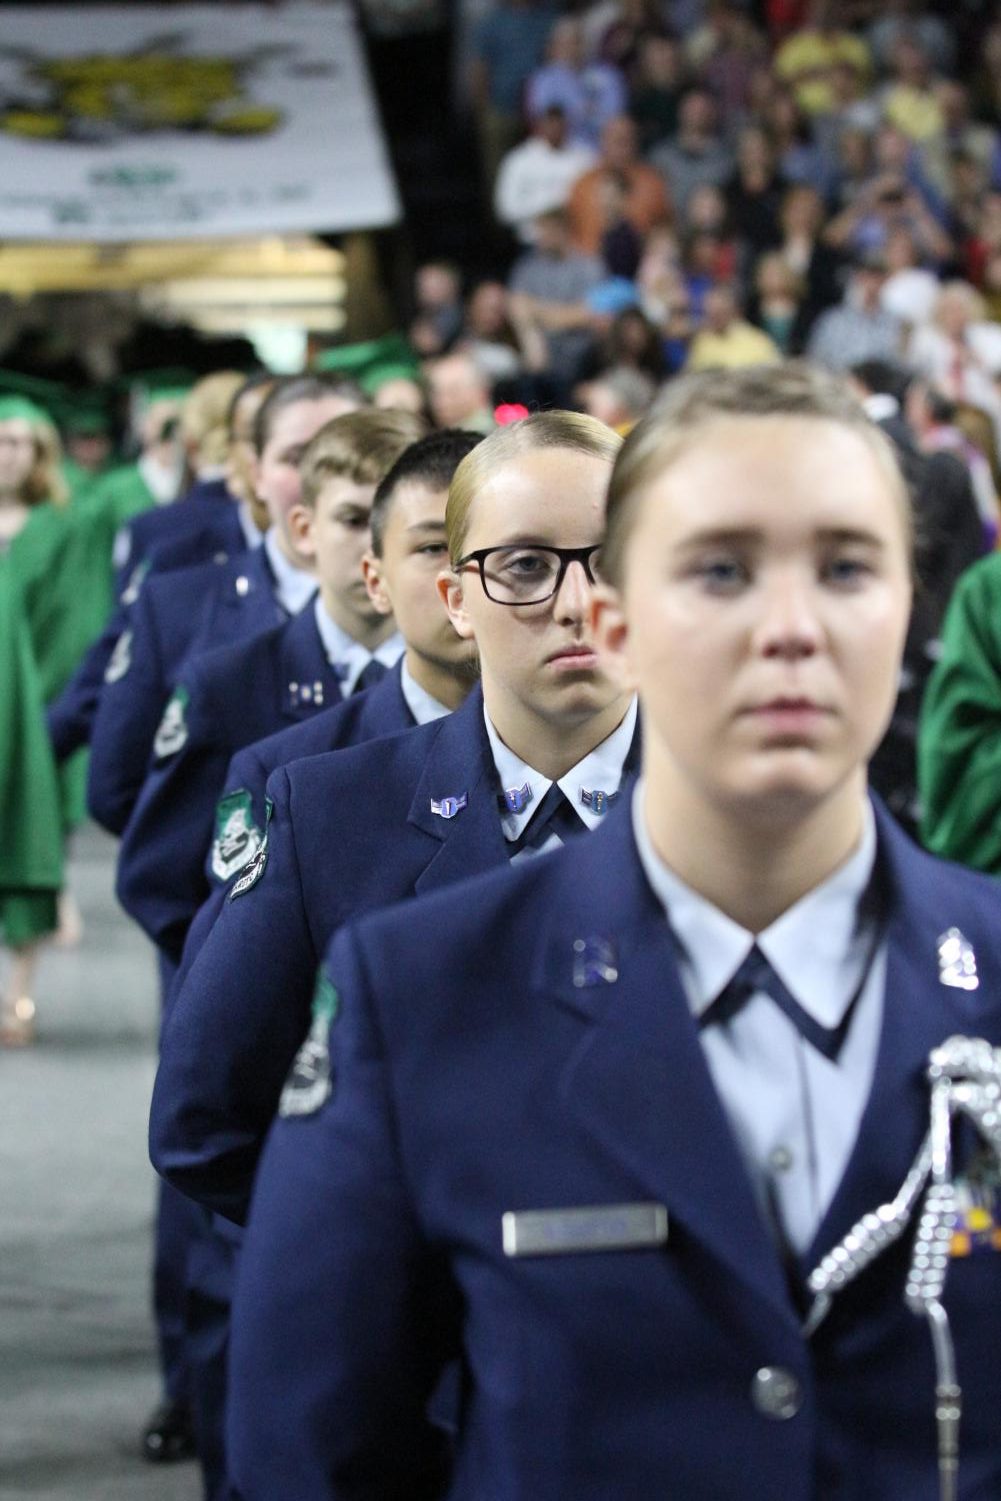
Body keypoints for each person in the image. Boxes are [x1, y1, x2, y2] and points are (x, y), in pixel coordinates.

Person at [228, 364, 1001, 1498]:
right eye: (718, 571)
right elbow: (310, 1454)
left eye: (844, 568)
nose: (787, 626)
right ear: (612, 620)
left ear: (907, 608)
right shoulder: (424, 995)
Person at [150, 411, 639, 1226]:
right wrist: (385, 1271)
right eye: (523, 566)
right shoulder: (329, 816)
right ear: (456, 599)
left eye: (613, 561)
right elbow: (206, 1117)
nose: (576, 603)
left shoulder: (753, 815)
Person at [115, 408, 425, 966]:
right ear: (304, 529)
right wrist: (244, 988)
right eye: (354, 520)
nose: (374, 550)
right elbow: (159, 878)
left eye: (399, 526)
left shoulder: (466, 685)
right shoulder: (231, 685)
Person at [86, 376, 355, 838]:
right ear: (254, 473)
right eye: (295, 457)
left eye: (345, 458)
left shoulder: (428, 609)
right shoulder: (177, 601)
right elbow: (117, 787)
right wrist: (216, 900)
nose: (320, 478)